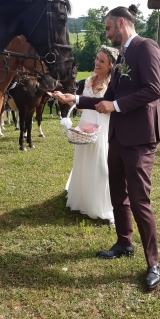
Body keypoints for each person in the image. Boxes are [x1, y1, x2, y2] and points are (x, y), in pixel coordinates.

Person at [52, 4, 160, 289]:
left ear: (122, 23)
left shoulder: (147, 47)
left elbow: (153, 89)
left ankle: (154, 263)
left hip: (140, 139)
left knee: (140, 201)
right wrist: (73, 99)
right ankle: (124, 242)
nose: (107, 33)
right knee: (118, 195)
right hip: (118, 138)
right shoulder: (123, 55)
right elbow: (108, 95)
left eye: (109, 27)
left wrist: (115, 105)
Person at [65, 47, 118, 226]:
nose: (96, 63)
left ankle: (107, 206)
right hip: (84, 128)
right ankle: (84, 200)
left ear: (111, 65)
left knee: (103, 168)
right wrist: (69, 100)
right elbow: (82, 106)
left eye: (102, 61)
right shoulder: (88, 80)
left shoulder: (113, 84)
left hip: (102, 129)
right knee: (84, 164)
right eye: (96, 59)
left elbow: (111, 109)